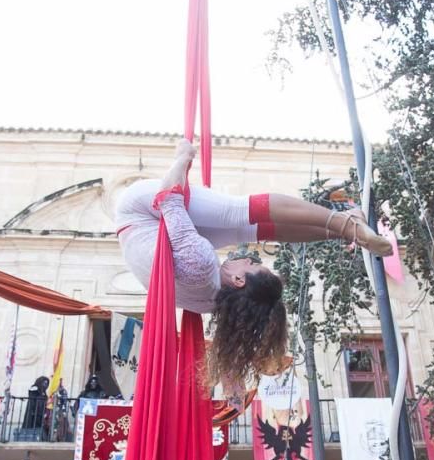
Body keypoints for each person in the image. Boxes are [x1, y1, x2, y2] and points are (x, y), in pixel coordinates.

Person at [114, 140, 392, 387]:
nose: (247, 257)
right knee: (248, 230)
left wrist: (183, 156)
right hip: (153, 239)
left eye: (252, 264)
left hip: (139, 211)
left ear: (239, 280)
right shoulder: (213, 300)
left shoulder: (200, 263)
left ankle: (344, 222)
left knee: (238, 212)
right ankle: (343, 228)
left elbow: (168, 197)